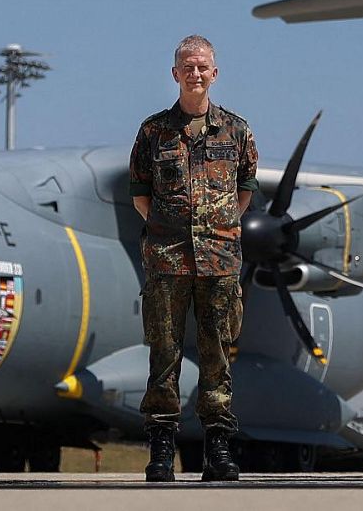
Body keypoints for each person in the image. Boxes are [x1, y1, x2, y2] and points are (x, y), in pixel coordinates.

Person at [129, 34, 258, 482]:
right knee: (163, 353)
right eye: (188, 66)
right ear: (175, 73)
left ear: (214, 73)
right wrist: (172, 230)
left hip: (219, 261)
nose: (195, 73)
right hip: (167, 260)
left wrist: (216, 229)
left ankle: (218, 449)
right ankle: (161, 450)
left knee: (217, 354)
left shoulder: (237, 131)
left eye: (202, 66)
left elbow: (244, 191)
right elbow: (140, 195)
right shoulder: (154, 132)